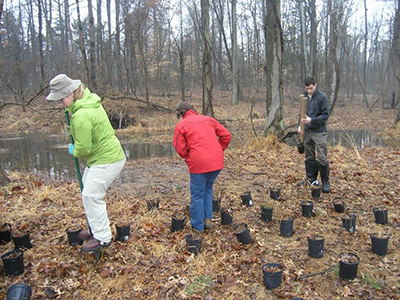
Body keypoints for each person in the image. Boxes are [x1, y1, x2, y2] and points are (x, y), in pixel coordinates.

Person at [46, 74, 126, 251]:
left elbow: (84, 149)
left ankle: (102, 239)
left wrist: (74, 150)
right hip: (101, 157)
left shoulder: (82, 114)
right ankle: (96, 230)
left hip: (107, 158)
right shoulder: (87, 102)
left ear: (70, 94)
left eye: (61, 100)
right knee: (87, 194)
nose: (60, 104)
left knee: (91, 195)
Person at [173, 102, 231, 232]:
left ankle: (198, 228)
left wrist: (190, 157)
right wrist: (218, 150)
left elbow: (180, 149)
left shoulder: (181, 126)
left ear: (181, 114)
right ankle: (208, 220)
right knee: (208, 188)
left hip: (199, 164)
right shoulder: (209, 120)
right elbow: (226, 135)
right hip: (216, 163)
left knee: (197, 195)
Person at [298, 76, 331, 193]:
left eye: (311, 88)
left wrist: (312, 120)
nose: (309, 91)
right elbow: (301, 113)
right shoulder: (304, 96)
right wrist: (300, 126)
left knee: (322, 157)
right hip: (307, 131)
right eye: (307, 88)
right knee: (309, 156)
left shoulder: (322, 97)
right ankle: (311, 179)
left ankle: (325, 182)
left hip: (319, 131)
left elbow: (325, 115)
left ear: (315, 85)